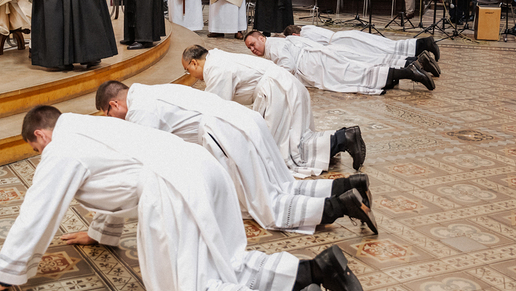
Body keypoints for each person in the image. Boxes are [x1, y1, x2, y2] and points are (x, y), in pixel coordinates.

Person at [0, 106, 367, 291]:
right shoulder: (92, 125)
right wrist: (99, 233)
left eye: (35, 149)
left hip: (173, 191)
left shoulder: (59, 149)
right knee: (229, 261)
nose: (39, 156)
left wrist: (5, 273)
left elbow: (36, 213)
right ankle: (316, 269)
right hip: (202, 168)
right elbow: (117, 178)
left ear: (41, 135)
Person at [95, 81, 377, 235]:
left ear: (114, 104)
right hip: (246, 120)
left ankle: (343, 205)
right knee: (283, 185)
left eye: (108, 115)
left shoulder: (140, 111)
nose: (113, 121)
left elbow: (141, 165)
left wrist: (104, 227)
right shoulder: (154, 90)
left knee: (267, 207)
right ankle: (351, 185)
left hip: (227, 133)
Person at [182, 46, 365, 176]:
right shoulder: (216, 58)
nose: (189, 75)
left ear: (194, 63)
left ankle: (344, 138)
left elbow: (215, 108)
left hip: (276, 91)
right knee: (292, 141)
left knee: (280, 153)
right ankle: (343, 138)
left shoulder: (215, 68)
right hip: (281, 86)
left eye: (187, 70)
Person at [244, 31, 436, 94]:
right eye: (249, 48)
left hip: (316, 64)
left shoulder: (273, 46)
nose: (253, 49)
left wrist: (271, 78)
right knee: (362, 69)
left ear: (261, 38)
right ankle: (409, 70)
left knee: (359, 73)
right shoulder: (279, 42)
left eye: (253, 44)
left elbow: (288, 66)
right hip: (318, 60)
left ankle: (410, 71)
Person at [284, 24, 439, 64]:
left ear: (294, 35)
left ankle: (423, 45)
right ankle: (421, 45)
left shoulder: (304, 35)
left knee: (381, 50)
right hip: (345, 35)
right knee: (384, 45)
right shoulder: (307, 27)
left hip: (343, 42)